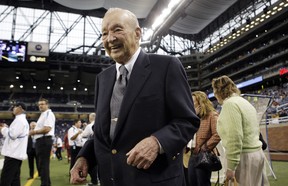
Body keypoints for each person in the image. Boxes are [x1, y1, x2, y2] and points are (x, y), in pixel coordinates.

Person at [70, 7, 200, 186]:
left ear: (137, 33)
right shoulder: (103, 78)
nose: (110, 38)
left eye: (117, 29)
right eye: (104, 33)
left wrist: (157, 142)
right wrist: (85, 156)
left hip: (155, 180)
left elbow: (187, 121)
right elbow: (103, 133)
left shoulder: (166, 66)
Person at [212, 75, 269, 186]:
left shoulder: (230, 105)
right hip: (257, 154)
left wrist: (231, 166)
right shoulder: (244, 102)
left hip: (244, 158)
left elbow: (235, 137)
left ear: (218, 91)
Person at [187, 91, 221, 186]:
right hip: (192, 154)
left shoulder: (212, 115)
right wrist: (193, 116)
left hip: (203, 155)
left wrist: (204, 147)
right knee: (191, 182)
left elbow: (217, 134)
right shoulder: (193, 116)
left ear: (200, 102)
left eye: (193, 101)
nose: (190, 103)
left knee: (202, 183)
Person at [0, 102, 29, 186]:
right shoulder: (21, 120)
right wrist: (7, 128)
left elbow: (12, 135)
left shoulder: (19, 120)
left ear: (19, 108)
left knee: (5, 179)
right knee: (14, 180)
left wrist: (3, 129)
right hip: (16, 155)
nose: (13, 109)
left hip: (12, 154)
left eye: (14, 107)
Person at [29, 98, 55, 186]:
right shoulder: (43, 114)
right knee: (42, 164)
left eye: (42, 104)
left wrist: (34, 132)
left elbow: (47, 128)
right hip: (42, 141)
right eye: (39, 104)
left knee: (43, 165)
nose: (40, 106)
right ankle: (47, 183)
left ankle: (44, 184)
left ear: (47, 105)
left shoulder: (48, 113)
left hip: (44, 140)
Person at [81, 113, 98, 186]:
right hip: (100, 148)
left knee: (92, 165)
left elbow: (84, 135)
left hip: (92, 147)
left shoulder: (89, 126)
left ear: (90, 118)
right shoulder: (99, 123)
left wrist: (83, 129)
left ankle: (94, 181)